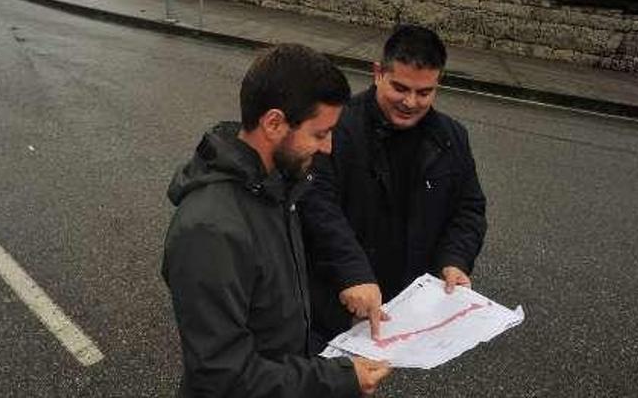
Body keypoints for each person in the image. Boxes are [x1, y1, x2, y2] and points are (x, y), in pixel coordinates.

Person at [162, 44, 391, 397]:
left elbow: (279, 313)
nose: (328, 147)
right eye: (319, 134)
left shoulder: (279, 188)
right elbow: (221, 376)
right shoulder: (210, 231)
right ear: (273, 123)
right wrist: (340, 379)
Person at [301, 24, 488, 347]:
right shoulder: (337, 127)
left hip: (403, 308)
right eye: (400, 88)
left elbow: (468, 209)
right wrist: (354, 273)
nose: (411, 102)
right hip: (336, 301)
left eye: (424, 92)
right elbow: (317, 206)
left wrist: (454, 261)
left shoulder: (452, 137)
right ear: (378, 73)